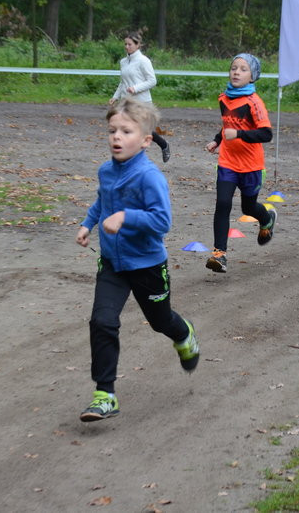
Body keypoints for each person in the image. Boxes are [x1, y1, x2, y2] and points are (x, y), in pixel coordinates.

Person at [75, 98, 199, 422]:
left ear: (145, 140)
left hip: (147, 265)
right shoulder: (106, 170)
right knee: (102, 321)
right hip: (113, 264)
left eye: (126, 131)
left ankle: (183, 333)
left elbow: (162, 222)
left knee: (160, 321)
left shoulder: (149, 177)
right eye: (112, 130)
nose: (116, 137)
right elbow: (102, 201)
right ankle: (105, 394)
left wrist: (125, 216)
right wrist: (88, 224)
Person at [203, 53, 277, 273]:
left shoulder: (254, 102)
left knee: (248, 206)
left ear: (253, 76)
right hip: (227, 162)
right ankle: (219, 254)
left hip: (252, 166)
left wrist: (239, 135)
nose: (236, 72)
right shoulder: (223, 98)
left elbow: (266, 134)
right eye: (234, 68)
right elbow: (228, 124)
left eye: (243, 69)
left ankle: (267, 219)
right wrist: (218, 140)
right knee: (223, 204)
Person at [110, 31, 171, 163]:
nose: (127, 47)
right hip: (127, 101)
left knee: (144, 130)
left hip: (142, 102)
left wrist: (135, 88)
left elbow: (152, 80)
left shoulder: (144, 61)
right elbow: (123, 82)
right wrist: (115, 96)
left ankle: (163, 145)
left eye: (130, 44)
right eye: (125, 44)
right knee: (128, 128)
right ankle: (130, 156)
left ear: (138, 45)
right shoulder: (123, 62)